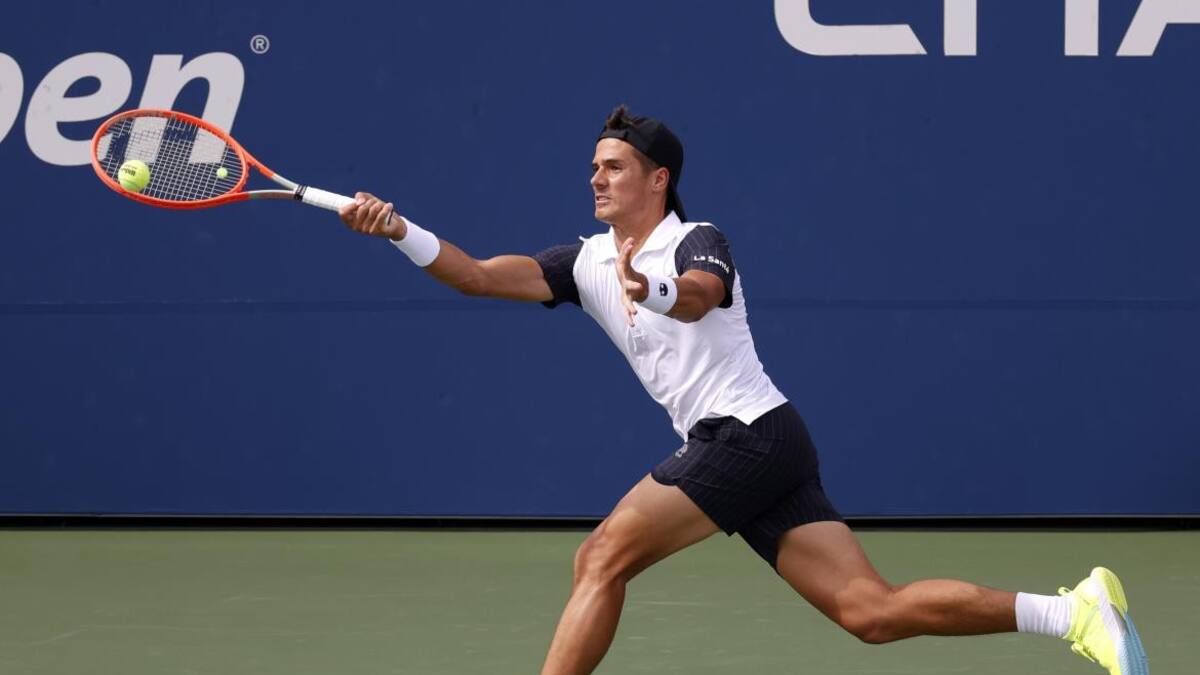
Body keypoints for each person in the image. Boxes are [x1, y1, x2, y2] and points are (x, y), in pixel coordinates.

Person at [337, 106, 1148, 675]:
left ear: (658, 178)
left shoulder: (698, 238)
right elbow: (478, 275)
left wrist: (645, 289)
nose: (597, 179)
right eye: (592, 168)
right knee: (871, 612)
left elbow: (694, 294)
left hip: (746, 434)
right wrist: (398, 230)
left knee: (601, 555)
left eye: (613, 167)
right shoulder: (581, 261)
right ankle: (1076, 611)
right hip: (765, 444)